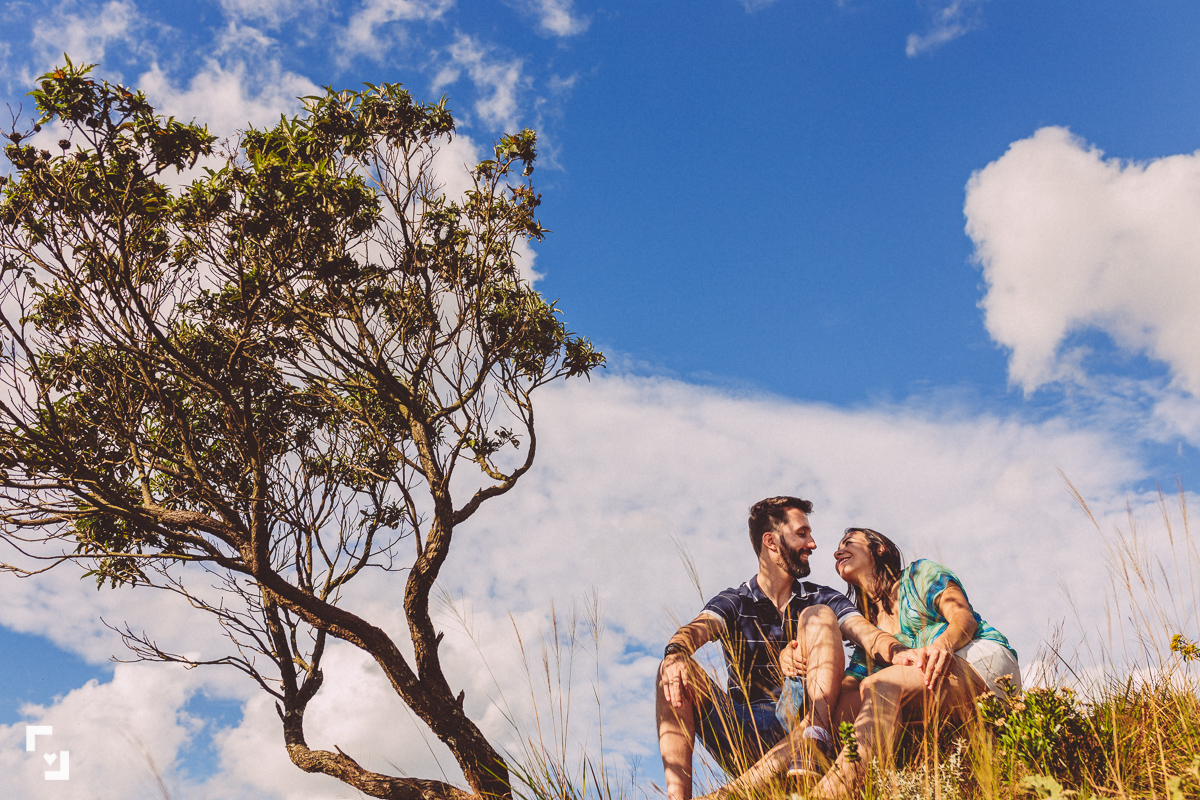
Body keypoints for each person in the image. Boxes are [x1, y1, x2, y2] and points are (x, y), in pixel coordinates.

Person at [656, 499, 905, 800]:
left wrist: (899, 652)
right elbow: (697, 628)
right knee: (670, 671)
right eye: (802, 533)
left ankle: (816, 737)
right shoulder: (735, 599)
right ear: (771, 541)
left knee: (819, 615)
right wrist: (675, 653)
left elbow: (866, 633)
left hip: (797, 718)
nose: (812, 544)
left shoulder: (821, 596)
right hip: (739, 729)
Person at [787, 527, 1020, 799]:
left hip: (979, 662)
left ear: (879, 549)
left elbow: (962, 617)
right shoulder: (869, 626)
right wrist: (803, 660)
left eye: (848, 542)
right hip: (927, 688)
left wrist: (942, 645)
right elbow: (848, 686)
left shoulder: (917, 575)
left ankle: (830, 793)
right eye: (838, 548)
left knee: (880, 685)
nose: (838, 552)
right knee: (835, 714)